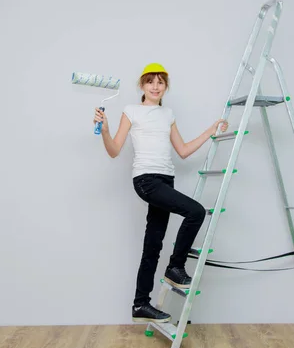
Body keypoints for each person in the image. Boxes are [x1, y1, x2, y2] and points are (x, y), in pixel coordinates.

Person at [93, 63, 228, 323]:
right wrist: (106, 131)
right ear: (142, 86)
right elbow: (114, 150)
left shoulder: (168, 114)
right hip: (146, 179)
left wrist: (210, 131)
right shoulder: (131, 111)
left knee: (152, 245)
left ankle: (140, 304)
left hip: (166, 180)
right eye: (150, 82)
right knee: (196, 211)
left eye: (161, 82)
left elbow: (184, 150)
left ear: (166, 87)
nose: (155, 86)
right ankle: (175, 268)